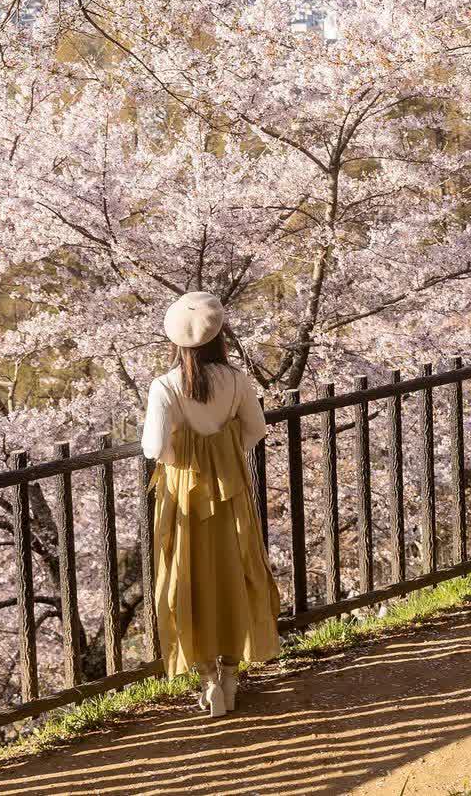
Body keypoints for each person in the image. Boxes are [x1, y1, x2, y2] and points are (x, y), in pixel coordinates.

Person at [141, 291, 280, 717]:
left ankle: (207, 678)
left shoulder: (165, 386)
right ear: (219, 335)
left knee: (188, 576)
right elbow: (255, 430)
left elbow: (152, 448)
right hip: (231, 489)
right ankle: (233, 674)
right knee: (236, 569)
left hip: (184, 495)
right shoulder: (237, 380)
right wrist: (222, 451)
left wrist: (185, 458)